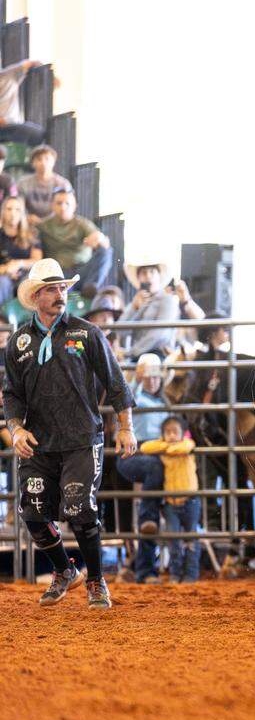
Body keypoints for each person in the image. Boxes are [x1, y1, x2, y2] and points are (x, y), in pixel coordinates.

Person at [3, 258, 136, 608]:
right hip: (40, 441)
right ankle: (64, 570)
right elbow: (12, 393)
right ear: (36, 297)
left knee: (80, 509)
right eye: (51, 289)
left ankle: (96, 580)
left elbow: (115, 381)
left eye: (62, 287)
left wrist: (126, 427)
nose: (60, 294)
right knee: (32, 514)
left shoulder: (86, 332)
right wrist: (15, 429)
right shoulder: (18, 343)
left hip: (81, 438)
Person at [115, 353, 167, 583]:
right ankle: (145, 568)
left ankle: (144, 570)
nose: (153, 381)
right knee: (154, 479)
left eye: (157, 376)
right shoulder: (134, 396)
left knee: (153, 507)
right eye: (149, 376)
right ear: (141, 376)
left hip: (159, 457)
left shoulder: (164, 403)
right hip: (135, 453)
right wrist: (137, 376)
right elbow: (129, 391)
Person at [139, 416, 200, 583]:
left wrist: (166, 447)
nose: (172, 435)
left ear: (183, 434)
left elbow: (186, 446)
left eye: (175, 432)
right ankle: (175, 574)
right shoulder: (165, 447)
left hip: (190, 501)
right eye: (168, 432)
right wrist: (165, 444)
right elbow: (145, 447)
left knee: (191, 539)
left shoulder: (187, 445)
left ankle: (190, 575)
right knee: (173, 541)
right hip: (170, 503)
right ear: (162, 434)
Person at [35, 189, 112, 293]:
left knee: (106, 252)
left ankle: (90, 287)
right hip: (57, 274)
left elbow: (101, 239)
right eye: (59, 203)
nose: (63, 207)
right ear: (52, 205)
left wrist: (98, 239)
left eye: (67, 203)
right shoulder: (43, 226)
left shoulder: (83, 224)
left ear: (75, 205)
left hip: (82, 271)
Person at [120, 258, 180, 358]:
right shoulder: (137, 301)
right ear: (138, 278)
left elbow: (159, 334)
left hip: (159, 354)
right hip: (136, 356)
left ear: (159, 276)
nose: (148, 276)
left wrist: (130, 353)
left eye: (152, 272)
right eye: (144, 273)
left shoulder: (167, 300)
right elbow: (120, 331)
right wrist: (134, 308)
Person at [0, 196, 42, 304]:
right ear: (3, 212)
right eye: (9, 209)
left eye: (17, 209)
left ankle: (27, 319)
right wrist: (6, 269)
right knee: (2, 282)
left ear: (22, 213)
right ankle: (5, 318)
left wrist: (19, 264)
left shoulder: (32, 233)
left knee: (29, 283)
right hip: (3, 274)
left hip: (26, 273)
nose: (13, 213)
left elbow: (37, 260)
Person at [18, 145, 73, 225]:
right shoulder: (23, 183)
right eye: (39, 159)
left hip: (56, 225)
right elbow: (17, 205)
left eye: (47, 159)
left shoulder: (63, 184)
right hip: (30, 223)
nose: (43, 163)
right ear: (33, 163)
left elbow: (69, 207)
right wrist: (26, 216)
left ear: (53, 161)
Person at [0, 59, 48, 144]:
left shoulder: (8, 75)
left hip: (11, 127)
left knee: (37, 134)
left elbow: (31, 63)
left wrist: (49, 78)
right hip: (5, 128)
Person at [83, 294, 123, 360]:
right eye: (102, 315)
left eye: (109, 315)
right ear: (92, 319)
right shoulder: (86, 339)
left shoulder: (114, 338)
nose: (106, 319)